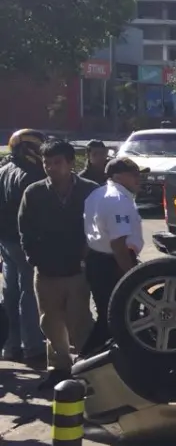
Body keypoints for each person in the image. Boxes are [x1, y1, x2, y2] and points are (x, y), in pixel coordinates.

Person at [18, 140, 97, 387]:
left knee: (79, 321)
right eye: (47, 163)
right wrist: (34, 258)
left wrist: (88, 257)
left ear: (71, 163)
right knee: (50, 322)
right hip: (46, 271)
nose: (51, 168)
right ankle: (59, 368)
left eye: (57, 162)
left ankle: (87, 367)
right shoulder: (34, 192)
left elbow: (99, 227)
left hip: (77, 270)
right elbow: (25, 229)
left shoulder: (89, 190)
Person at [83, 158, 145, 354]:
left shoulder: (97, 193)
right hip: (114, 264)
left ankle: (94, 364)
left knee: (109, 316)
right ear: (117, 176)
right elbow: (118, 244)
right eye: (134, 174)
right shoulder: (117, 199)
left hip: (98, 260)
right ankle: (88, 361)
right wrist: (132, 276)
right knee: (119, 318)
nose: (139, 178)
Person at [0, 129, 47, 364]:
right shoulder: (30, 174)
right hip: (23, 242)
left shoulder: (3, 170)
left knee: (11, 293)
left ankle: (11, 345)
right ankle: (33, 347)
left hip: (5, 241)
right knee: (29, 294)